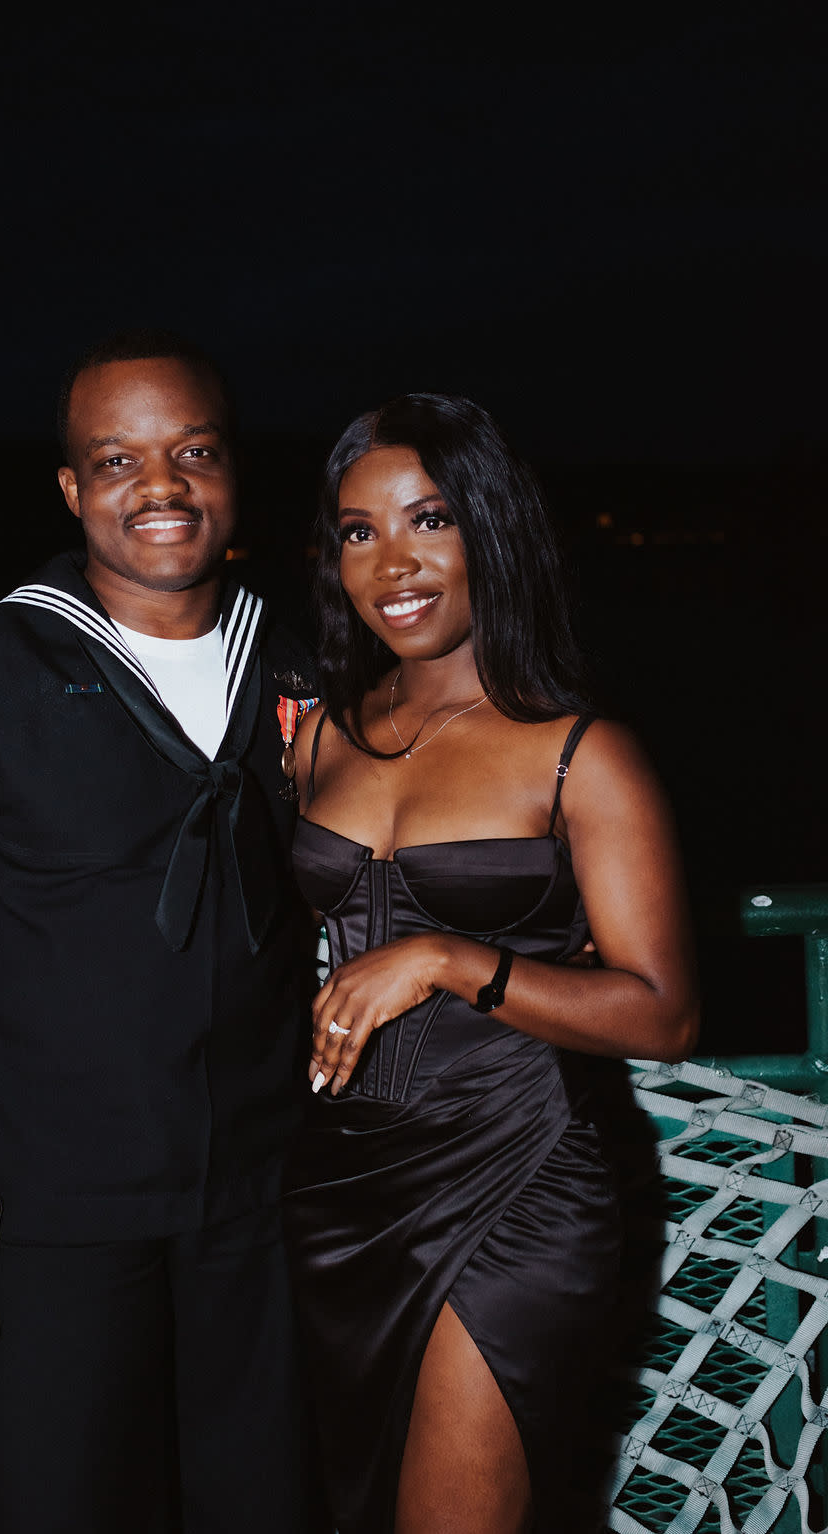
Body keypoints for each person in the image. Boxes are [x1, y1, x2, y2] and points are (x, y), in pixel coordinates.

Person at [0, 330, 325, 1533]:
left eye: (192, 452)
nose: (159, 487)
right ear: (72, 489)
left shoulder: (310, 671)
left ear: (233, 472)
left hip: (263, 1215)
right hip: (55, 1222)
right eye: (117, 460)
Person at [282, 393, 700, 1534]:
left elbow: (662, 1014)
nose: (394, 563)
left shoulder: (579, 753)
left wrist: (447, 958)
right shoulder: (313, 731)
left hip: (513, 1181)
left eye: (430, 520)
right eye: (358, 531)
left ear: (490, 531)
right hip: (327, 1186)